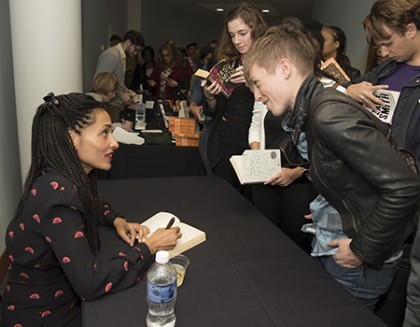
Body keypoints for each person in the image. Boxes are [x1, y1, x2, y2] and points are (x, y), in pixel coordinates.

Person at [244, 24, 420, 310]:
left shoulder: (328, 114)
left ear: (284, 67)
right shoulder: (313, 108)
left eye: (258, 82)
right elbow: (351, 176)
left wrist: (362, 249)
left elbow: (404, 187)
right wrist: (330, 207)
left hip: (358, 262)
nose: (257, 95)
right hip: (344, 243)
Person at [1, 93, 181, 326]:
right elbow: (90, 284)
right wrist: (150, 247)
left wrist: (117, 220)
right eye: (104, 132)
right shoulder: (58, 194)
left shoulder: (61, 177)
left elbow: (90, 205)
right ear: (71, 138)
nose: (114, 143)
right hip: (44, 315)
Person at [201, 2, 267, 191]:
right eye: (232, 35)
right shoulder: (227, 63)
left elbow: (279, 105)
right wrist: (210, 97)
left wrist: (252, 82)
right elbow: (215, 111)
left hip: (257, 141)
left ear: (256, 29)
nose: (237, 41)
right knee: (222, 199)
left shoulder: (270, 62)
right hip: (225, 140)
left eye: (242, 33)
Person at [345, 0, 420, 165]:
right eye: (380, 47)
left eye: (388, 44)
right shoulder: (385, 69)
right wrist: (350, 90)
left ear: (410, 30)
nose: (384, 53)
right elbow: (342, 91)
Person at [93, 29, 144, 107]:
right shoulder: (112, 55)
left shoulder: (121, 56)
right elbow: (100, 82)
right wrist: (121, 95)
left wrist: (127, 91)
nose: (135, 53)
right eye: (135, 49)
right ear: (128, 43)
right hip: (108, 105)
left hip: (115, 105)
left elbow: (118, 83)